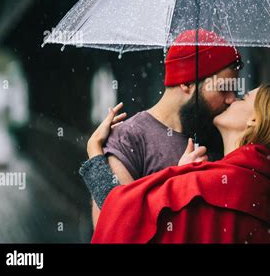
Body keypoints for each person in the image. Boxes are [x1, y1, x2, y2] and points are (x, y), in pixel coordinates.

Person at [80, 84, 270, 243]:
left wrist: (94, 153)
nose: (232, 98)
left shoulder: (205, 185)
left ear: (253, 120)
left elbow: (122, 221)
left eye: (244, 97)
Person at [89, 28, 243, 226]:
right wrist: (178, 183)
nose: (232, 99)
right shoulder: (128, 138)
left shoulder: (220, 133)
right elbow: (114, 226)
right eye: (223, 88)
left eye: (234, 89)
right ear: (187, 83)